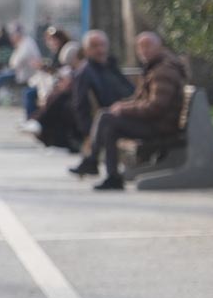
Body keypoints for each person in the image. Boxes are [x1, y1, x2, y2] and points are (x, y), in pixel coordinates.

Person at [70, 32, 186, 191]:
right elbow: (141, 100)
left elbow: (156, 107)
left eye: (147, 46)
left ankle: (95, 163)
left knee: (108, 119)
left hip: (161, 126)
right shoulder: (154, 68)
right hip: (156, 123)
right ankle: (109, 174)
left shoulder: (162, 71)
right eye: (140, 47)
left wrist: (123, 109)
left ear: (159, 47)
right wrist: (122, 107)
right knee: (108, 118)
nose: (143, 51)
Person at [69, 30, 135, 139]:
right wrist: (90, 134)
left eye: (102, 45)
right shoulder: (85, 72)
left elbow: (130, 90)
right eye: (94, 46)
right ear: (86, 50)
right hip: (110, 120)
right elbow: (81, 107)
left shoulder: (111, 66)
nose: (100, 49)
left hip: (128, 111)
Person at [22, 40, 84, 151]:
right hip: (72, 97)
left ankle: (37, 121)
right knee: (54, 97)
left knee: (59, 99)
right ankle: (37, 123)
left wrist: (67, 85)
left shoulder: (83, 69)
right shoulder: (73, 68)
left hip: (78, 100)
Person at [0, 25, 39, 106]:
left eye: (13, 36)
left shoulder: (26, 44)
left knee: (1, 77)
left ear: (17, 35)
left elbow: (15, 63)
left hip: (26, 75)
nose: (11, 38)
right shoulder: (22, 43)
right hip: (20, 71)